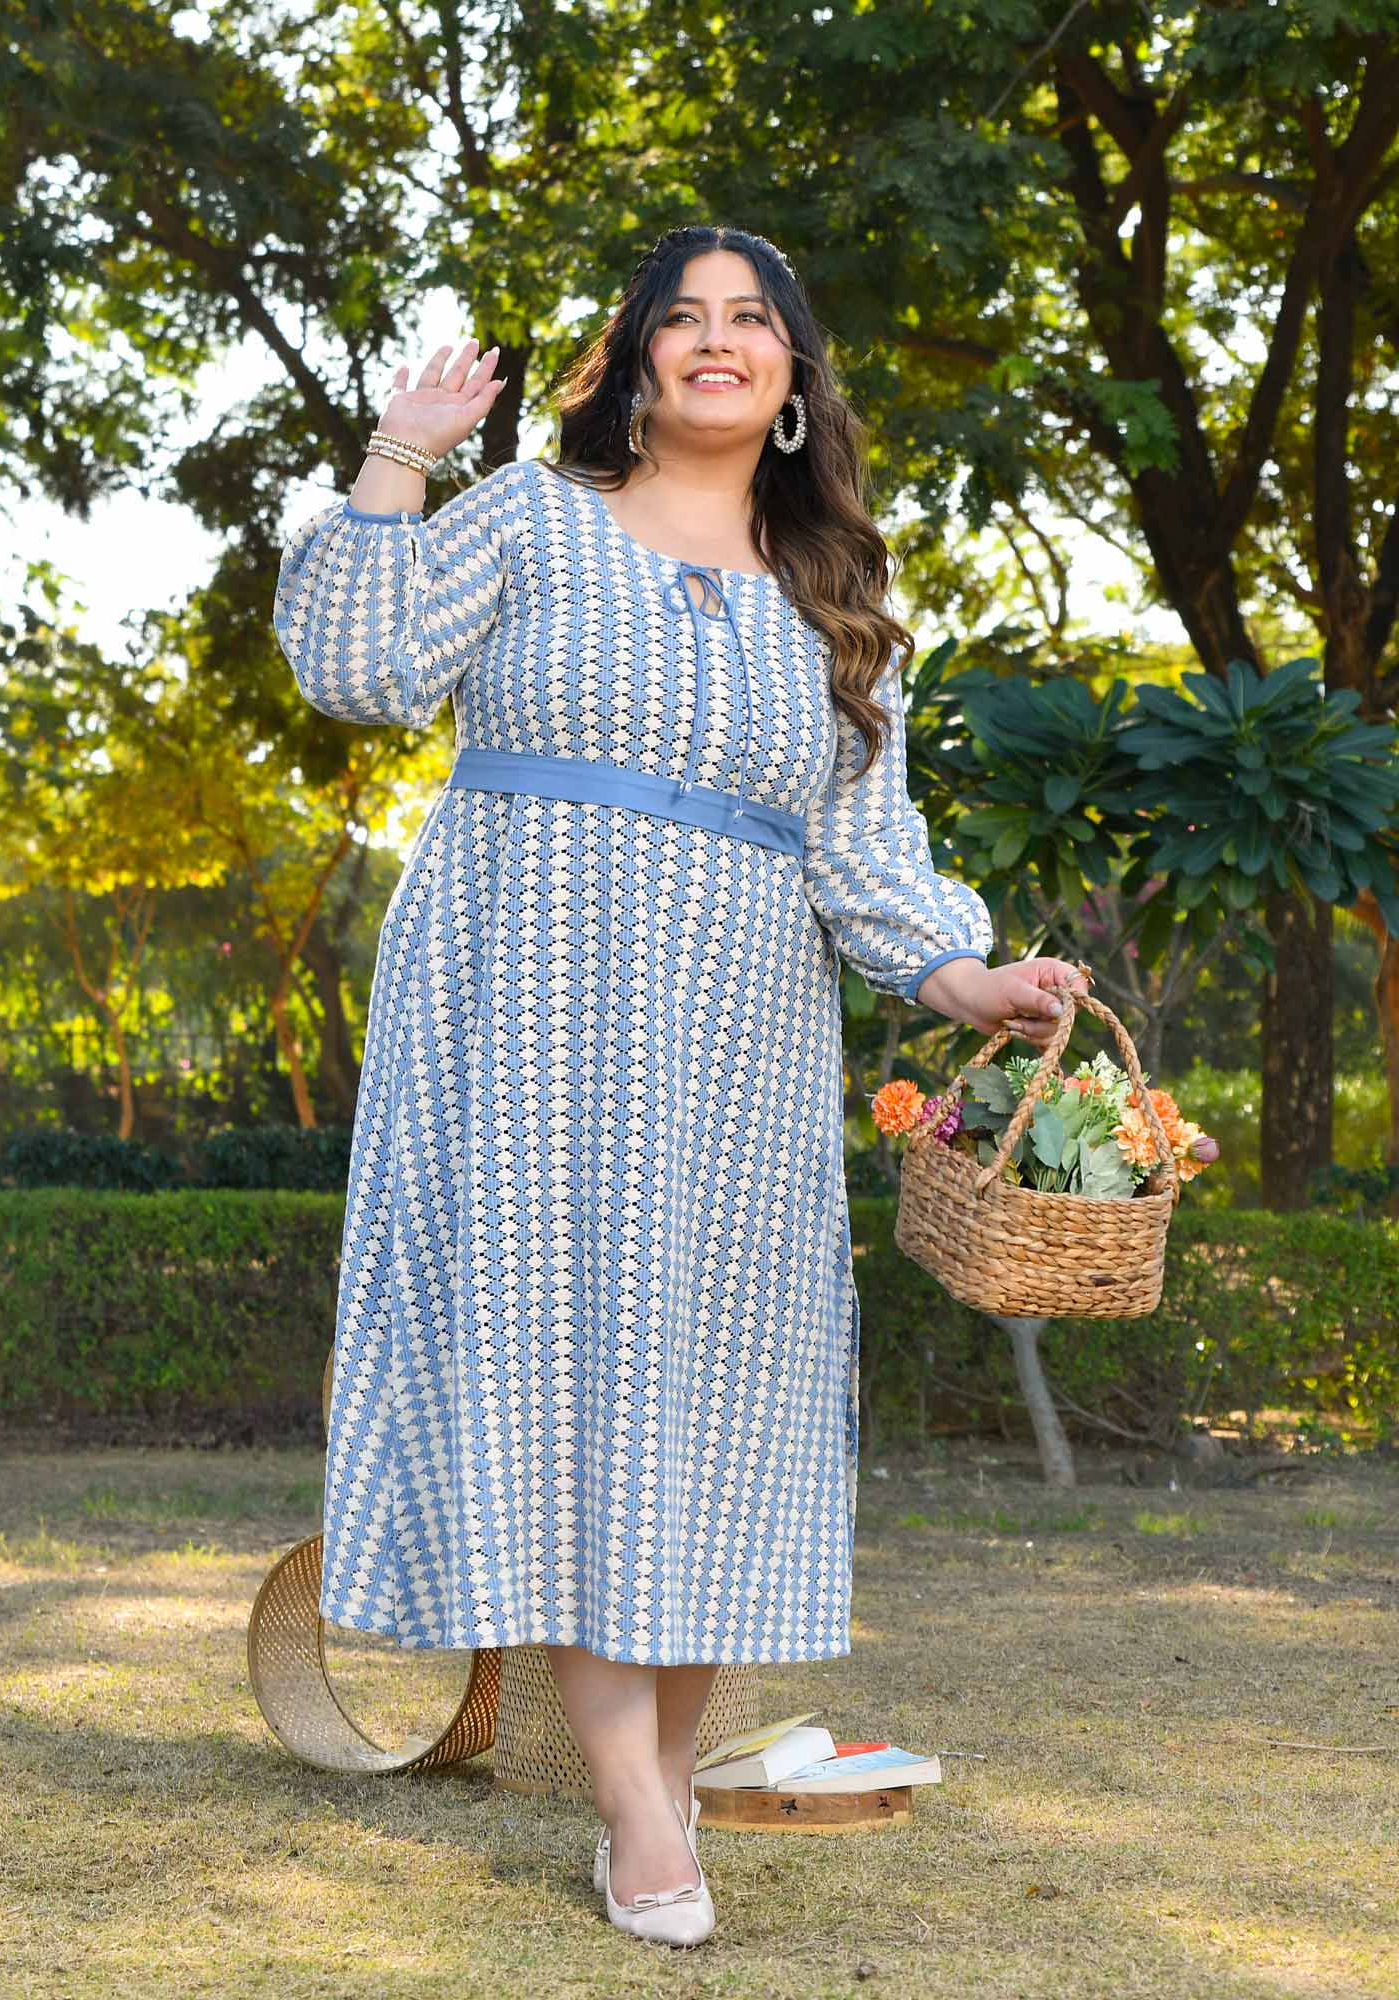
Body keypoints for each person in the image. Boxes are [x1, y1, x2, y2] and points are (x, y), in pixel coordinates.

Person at [271, 223, 1087, 1947]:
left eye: (753, 324)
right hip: (519, 1010)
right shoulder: (529, 516)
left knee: (709, 1403)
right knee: (566, 1377)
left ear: (791, 381)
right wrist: (399, 454)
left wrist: (972, 976)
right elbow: (358, 672)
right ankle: (641, 1810)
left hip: (738, 1041)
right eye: (685, 321)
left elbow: (868, 869)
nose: (718, 344)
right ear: (638, 361)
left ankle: (664, 1773)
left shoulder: (841, 606)